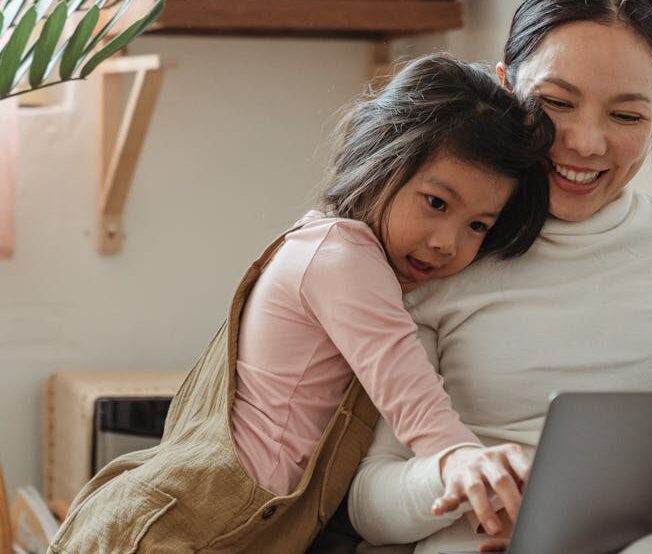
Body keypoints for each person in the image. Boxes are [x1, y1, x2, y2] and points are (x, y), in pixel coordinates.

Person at [48, 54, 552, 553]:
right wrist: (464, 459)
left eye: (477, 226)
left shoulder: (329, 249)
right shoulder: (343, 257)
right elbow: (410, 392)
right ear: (381, 163)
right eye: (436, 203)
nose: (448, 242)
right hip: (168, 533)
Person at [346, 2, 652, 554]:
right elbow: (370, 504)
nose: (586, 142)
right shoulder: (446, 254)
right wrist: (461, 476)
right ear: (505, 88)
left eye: (627, 116)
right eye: (556, 103)